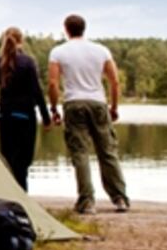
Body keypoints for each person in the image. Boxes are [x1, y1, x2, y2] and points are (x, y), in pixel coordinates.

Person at [48, 13, 129, 214]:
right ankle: (119, 198)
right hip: (97, 103)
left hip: (73, 103)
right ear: (84, 29)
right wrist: (114, 107)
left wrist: (54, 108)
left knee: (80, 152)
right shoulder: (101, 50)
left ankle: (87, 201)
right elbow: (114, 81)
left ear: (66, 29)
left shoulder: (58, 52)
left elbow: (52, 83)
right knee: (107, 151)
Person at [0, 27, 50, 191]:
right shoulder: (28, 62)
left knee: (8, 158)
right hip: (24, 115)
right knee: (23, 161)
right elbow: (36, 91)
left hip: (4, 115)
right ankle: (22, 194)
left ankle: (11, 194)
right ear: (21, 40)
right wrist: (46, 118)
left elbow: (0, 82)